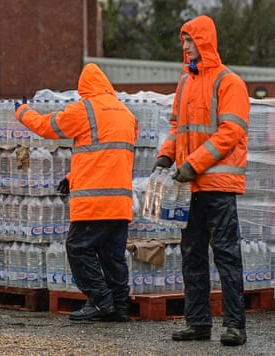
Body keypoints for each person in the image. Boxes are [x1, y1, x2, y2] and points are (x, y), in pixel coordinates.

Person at [15, 63, 137, 322]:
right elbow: (106, 154)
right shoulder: (126, 113)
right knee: (112, 255)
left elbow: (48, 127)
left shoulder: (86, 109)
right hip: (120, 201)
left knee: (78, 247)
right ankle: (119, 306)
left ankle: (101, 301)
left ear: (84, 88)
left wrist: (23, 112)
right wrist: (73, 176)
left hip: (94, 201)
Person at [153, 15, 249, 346]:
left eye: (190, 40)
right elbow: (178, 126)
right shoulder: (186, 81)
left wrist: (192, 164)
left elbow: (230, 133)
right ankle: (198, 323)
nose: (185, 45)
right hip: (190, 185)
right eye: (183, 40)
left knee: (225, 254)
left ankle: (235, 325)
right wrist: (166, 154)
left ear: (204, 41)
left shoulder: (229, 82)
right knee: (192, 254)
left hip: (218, 186)